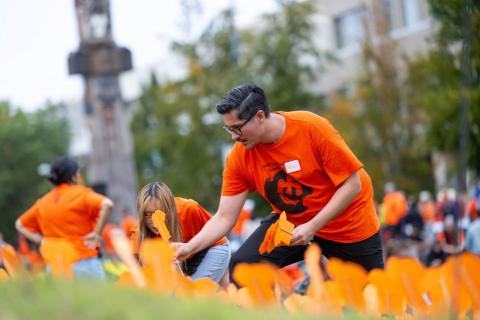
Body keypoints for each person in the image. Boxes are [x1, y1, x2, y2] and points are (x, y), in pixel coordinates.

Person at [175, 84, 384, 277]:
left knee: (374, 302)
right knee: (244, 268)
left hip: (350, 226)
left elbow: (352, 184)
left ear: (259, 116)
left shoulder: (312, 128)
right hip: (292, 224)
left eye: (237, 128)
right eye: (229, 129)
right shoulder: (239, 157)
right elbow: (223, 217)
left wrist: (313, 226)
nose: (233, 136)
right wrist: (189, 247)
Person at [15, 156, 113, 279]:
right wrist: (96, 233)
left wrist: (41, 240)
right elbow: (107, 204)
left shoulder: (43, 202)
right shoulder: (81, 194)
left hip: (56, 266)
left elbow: (19, 224)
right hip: (84, 261)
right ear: (73, 176)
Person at [132, 182, 231, 283]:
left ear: (169, 208)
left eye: (159, 213)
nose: (154, 222)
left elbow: (217, 231)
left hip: (212, 247)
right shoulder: (138, 233)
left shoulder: (189, 209)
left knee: (195, 294)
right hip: (183, 258)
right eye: (148, 215)